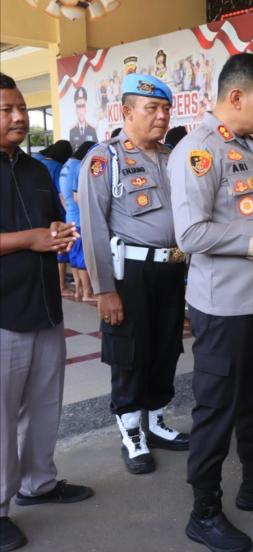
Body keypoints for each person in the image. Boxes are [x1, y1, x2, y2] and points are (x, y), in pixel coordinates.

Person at [171, 53, 253, 552]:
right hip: (223, 306)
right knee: (216, 409)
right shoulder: (198, 151)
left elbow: (252, 216)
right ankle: (203, 511)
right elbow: (189, 233)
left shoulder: (248, 148)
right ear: (236, 97)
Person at [78, 73, 189, 476]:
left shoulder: (173, 156)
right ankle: (131, 430)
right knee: (129, 352)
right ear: (126, 111)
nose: (161, 117)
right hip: (130, 273)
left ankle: (156, 421)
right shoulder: (104, 159)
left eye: (165, 109)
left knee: (166, 345)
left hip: (172, 269)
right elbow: (93, 227)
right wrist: (104, 289)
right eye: (152, 109)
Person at [0, 72, 92, 552]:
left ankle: (39, 482)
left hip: (44, 308)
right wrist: (28, 240)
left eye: (21, 108)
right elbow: (24, 236)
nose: (19, 118)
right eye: (6, 110)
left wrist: (58, 234)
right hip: (3, 316)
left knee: (43, 406)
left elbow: (49, 223)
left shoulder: (37, 170)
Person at [33, 140, 73, 296]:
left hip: (36, 214)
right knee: (59, 249)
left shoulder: (36, 160)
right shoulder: (56, 167)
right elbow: (60, 194)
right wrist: (67, 213)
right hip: (52, 214)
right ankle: (61, 286)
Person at [59, 140, 96, 302]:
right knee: (83, 257)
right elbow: (78, 196)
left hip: (70, 218)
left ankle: (78, 290)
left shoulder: (66, 165)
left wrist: (70, 212)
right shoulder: (79, 166)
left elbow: (62, 196)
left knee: (74, 256)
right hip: (80, 220)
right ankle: (87, 293)